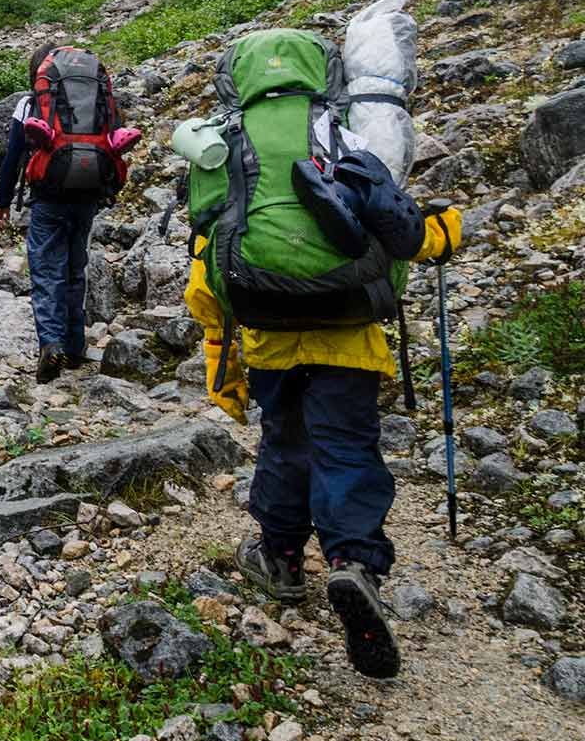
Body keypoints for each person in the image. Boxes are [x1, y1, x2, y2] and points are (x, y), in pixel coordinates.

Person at [188, 173, 462, 679]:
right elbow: (406, 233)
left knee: (285, 445)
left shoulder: (237, 155)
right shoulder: (347, 146)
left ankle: (282, 558)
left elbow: (208, 274)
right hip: (350, 339)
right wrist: (444, 231)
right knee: (346, 449)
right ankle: (353, 564)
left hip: (272, 337)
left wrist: (220, 367)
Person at [0, 43, 126, 384]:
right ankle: (76, 345)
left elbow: (12, 158)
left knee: (46, 269)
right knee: (75, 266)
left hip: (49, 195)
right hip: (88, 192)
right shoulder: (95, 95)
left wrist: (3, 200)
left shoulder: (30, 103)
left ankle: (51, 344)